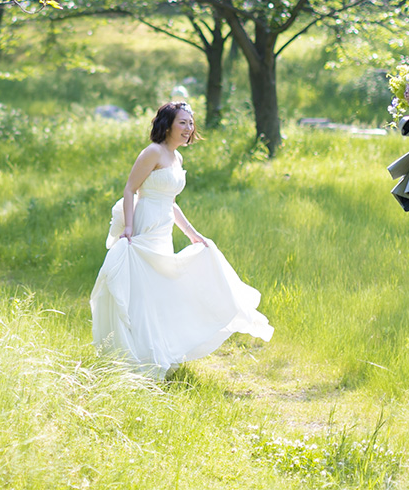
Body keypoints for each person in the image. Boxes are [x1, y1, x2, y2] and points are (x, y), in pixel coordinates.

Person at [90, 101, 273, 377]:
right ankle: (138, 354)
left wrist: (191, 233)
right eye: (182, 123)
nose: (188, 129)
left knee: (159, 289)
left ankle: (158, 348)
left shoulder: (177, 158)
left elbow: (171, 202)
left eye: (190, 123)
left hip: (163, 229)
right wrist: (128, 228)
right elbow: (130, 190)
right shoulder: (152, 153)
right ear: (168, 125)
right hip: (145, 225)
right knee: (142, 289)